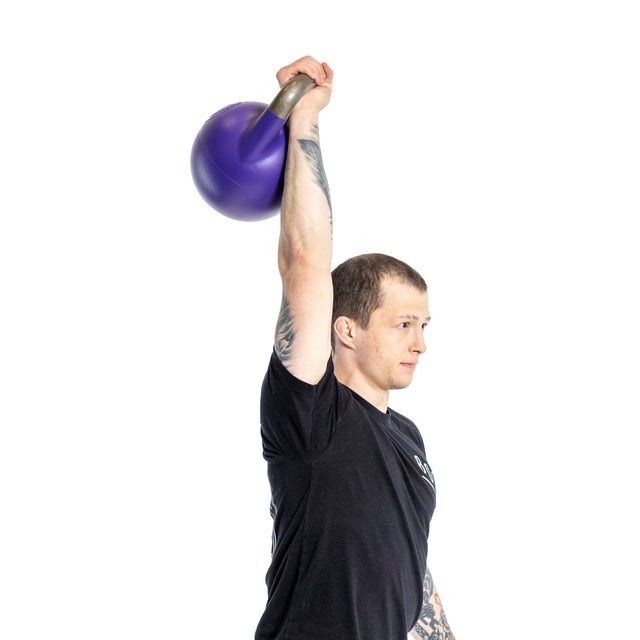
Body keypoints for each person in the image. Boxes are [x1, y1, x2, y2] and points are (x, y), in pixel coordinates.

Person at [255, 56, 455, 640]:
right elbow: (305, 263)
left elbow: (410, 574)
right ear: (346, 329)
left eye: (424, 326)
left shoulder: (407, 439)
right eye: (403, 325)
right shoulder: (310, 416)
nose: (420, 343)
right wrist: (306, 120)